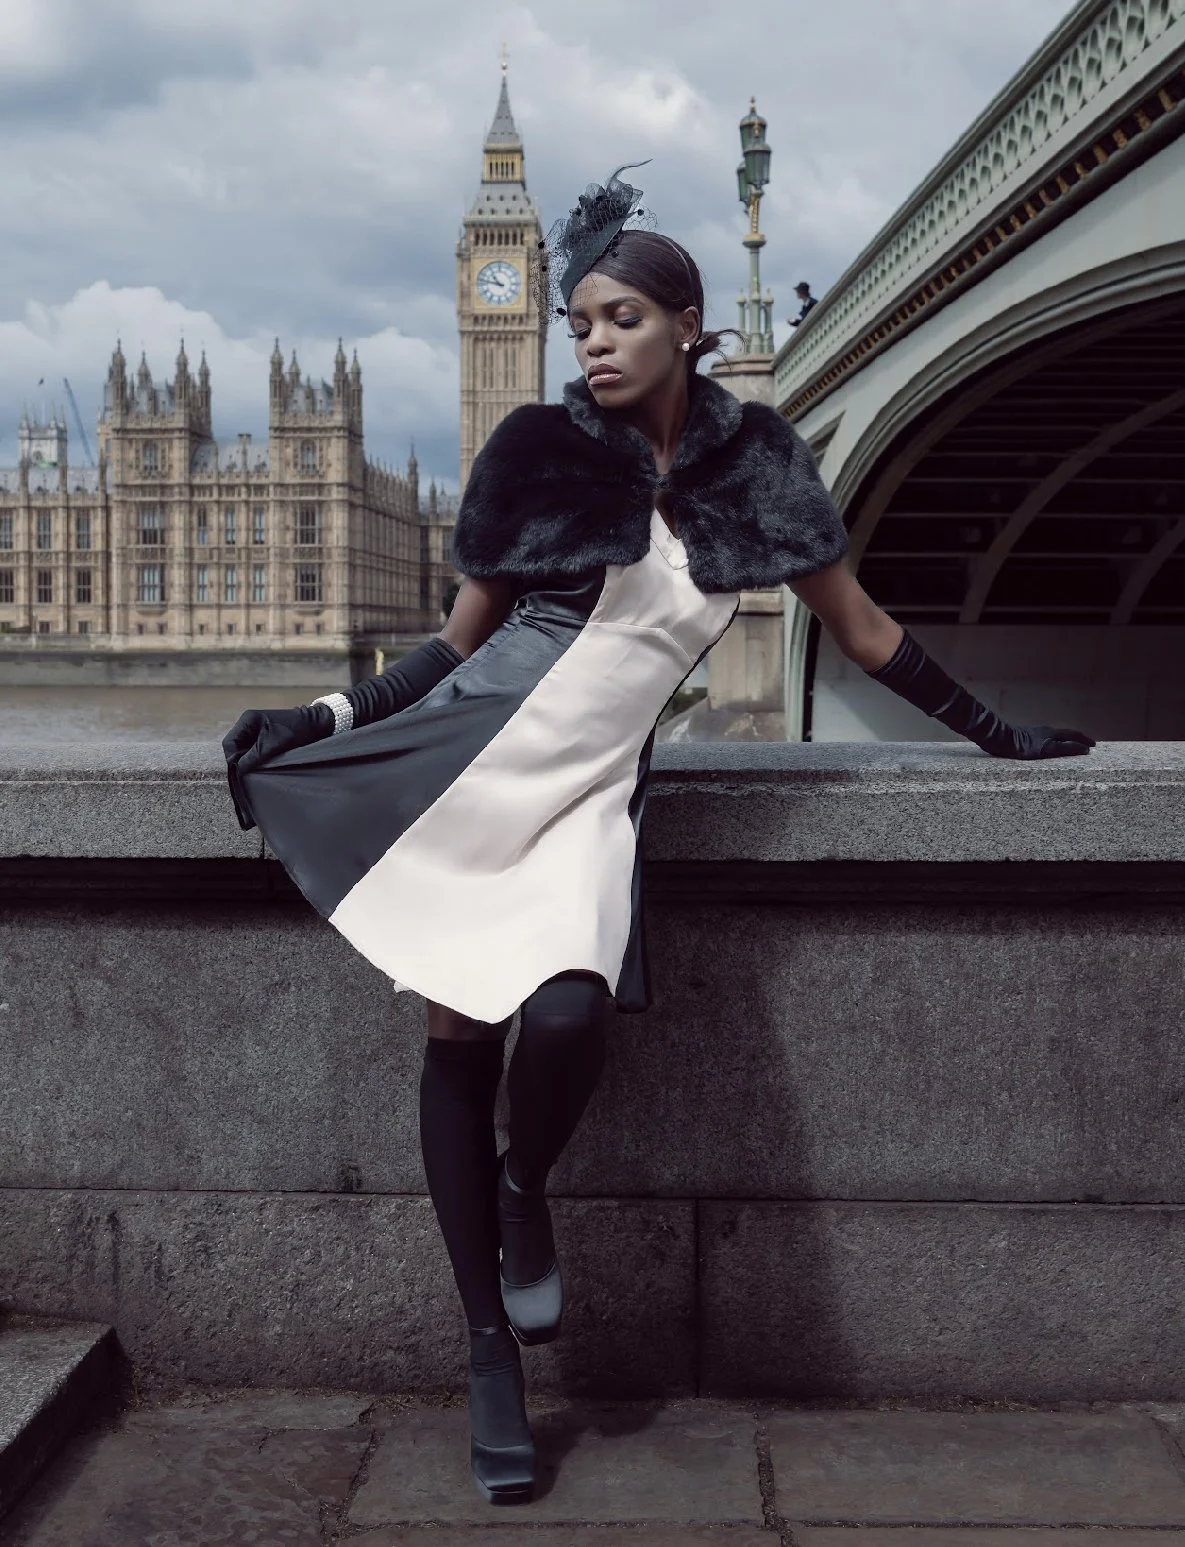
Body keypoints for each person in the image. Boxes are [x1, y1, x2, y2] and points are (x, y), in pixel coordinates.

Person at [221, 162, 1094, 1507]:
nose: (594, 341)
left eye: (621, 317)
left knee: (565, 1020)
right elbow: (453, 650)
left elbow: (862, 632)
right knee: (460, 1038)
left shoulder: (763, 478)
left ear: (691, 324)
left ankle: (527, 1181)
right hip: (469, 774)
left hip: (585, 803)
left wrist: (1001, 733)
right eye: (579, 323)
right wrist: (325, 710)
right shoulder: (540, 452)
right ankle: (488, 1354)